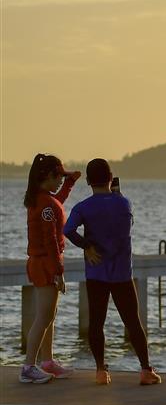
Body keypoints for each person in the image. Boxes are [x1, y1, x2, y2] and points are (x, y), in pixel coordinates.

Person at [64, 159, 161, 385]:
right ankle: (146, 369)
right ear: (111, 178)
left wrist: (86, 245)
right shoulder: (124, 203)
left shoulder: (83, 207)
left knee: (96, 322)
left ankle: (100, 370)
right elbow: (128, 223)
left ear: (88, 181)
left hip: (96, 273)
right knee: (133, 322)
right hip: (122, 274)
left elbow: (68, 230)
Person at [20, 154, 80, 383]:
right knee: (43, 317)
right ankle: (28, 367)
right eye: (58, 177)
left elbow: (57, 204)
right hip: (45, 263)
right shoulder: (44, 204)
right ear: (47, 176)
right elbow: (50, 242)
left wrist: (69, 183)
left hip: (41, 263)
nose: (59, 182)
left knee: (49, 315)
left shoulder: (43, 199)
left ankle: (47, 362)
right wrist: (59, 273)